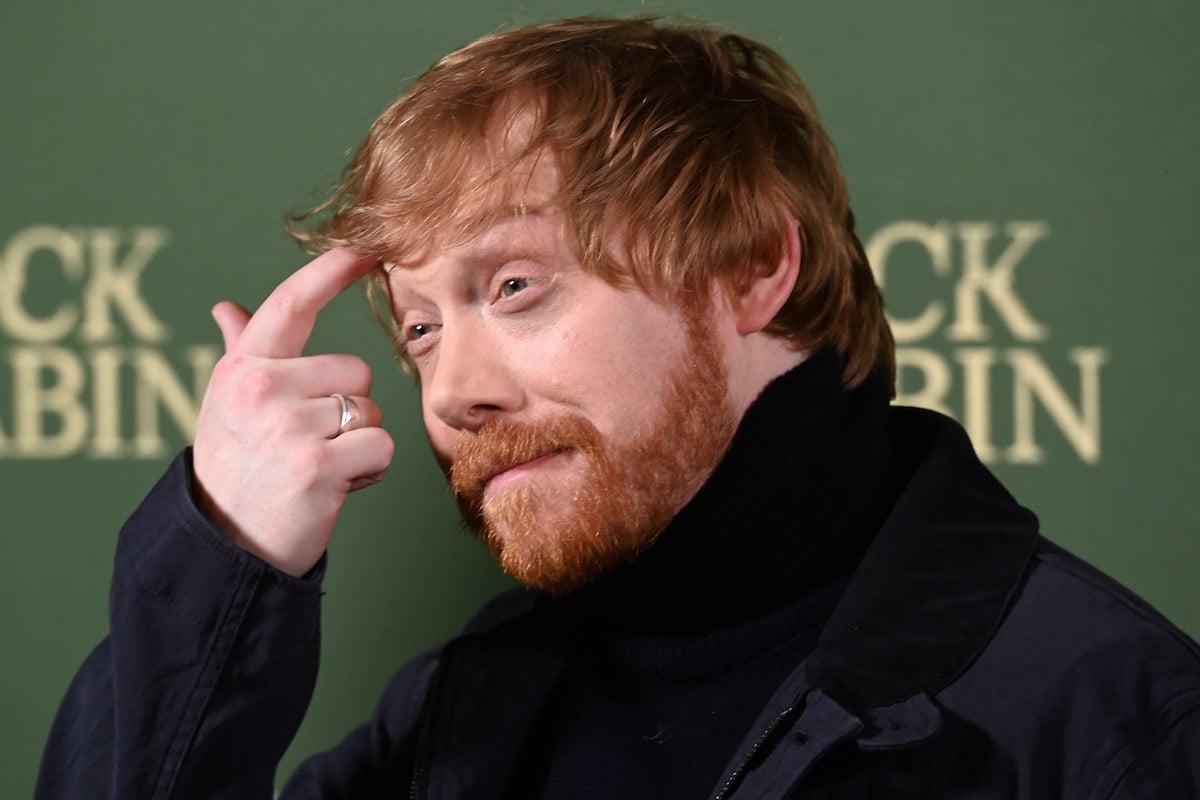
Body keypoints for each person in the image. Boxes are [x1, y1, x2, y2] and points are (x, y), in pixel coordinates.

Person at [37, 16, 1200, 800]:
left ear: (752, 268)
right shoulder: (457, 713)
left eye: (514, 286)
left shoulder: (1112, 713)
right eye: (421, 328)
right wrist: (226, 554)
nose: (450, 391)